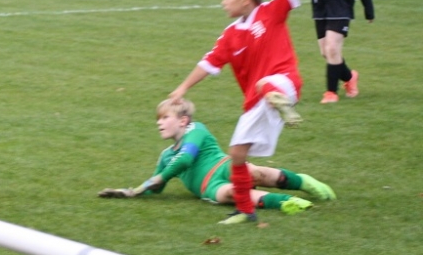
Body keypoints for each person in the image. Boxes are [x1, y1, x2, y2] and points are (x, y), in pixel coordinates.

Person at [167, 0, 348, 225]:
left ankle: (281, 102)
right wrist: (182, 88)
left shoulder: (272, 11)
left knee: (266, 83)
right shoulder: (230, 35)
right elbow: (208, 63)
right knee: (237, 154)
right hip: (257, 100)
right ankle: (245, 210)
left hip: (284, 83)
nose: (223, 1)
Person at [97, 99, 336, 214]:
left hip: (224, 166)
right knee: (232, 193)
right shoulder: (165, 156)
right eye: (158, 119)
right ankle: (285, 203)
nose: (159, 123)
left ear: (182, 121)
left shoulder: (196, 130)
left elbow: (186, 159)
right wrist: (130, 192)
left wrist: (157, 179)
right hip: (209, 187)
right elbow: (156, 188)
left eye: (164, 118)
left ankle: (303, 182)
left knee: (254, 173)